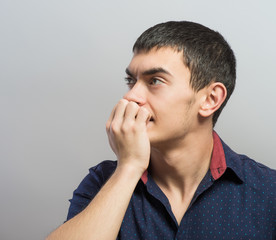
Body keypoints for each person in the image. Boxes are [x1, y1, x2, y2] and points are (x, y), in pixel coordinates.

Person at [47, 21, 275, 240]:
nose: (130, 96)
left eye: (155, 81)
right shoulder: (103, 181)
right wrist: (129, 168)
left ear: (209, 99)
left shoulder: (268, 191)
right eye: (131, 80)